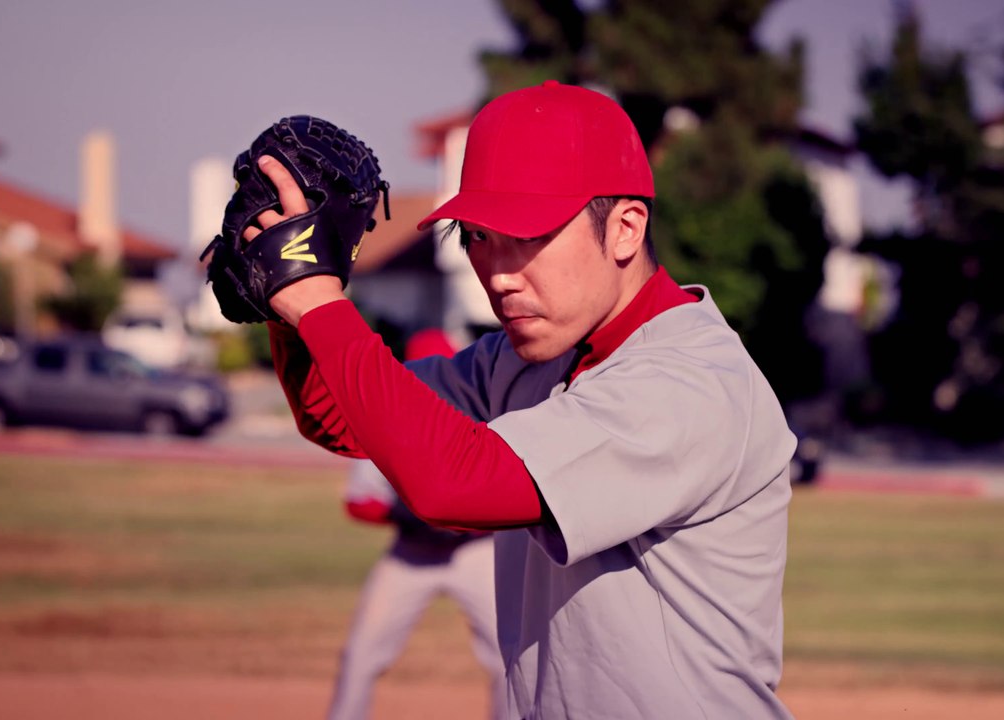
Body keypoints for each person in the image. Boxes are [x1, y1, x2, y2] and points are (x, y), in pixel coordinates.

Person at [257, 81, 797, 719]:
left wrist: (320, 302)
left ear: (626, 228)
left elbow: (453, 485)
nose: (499, 273)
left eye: (528, 234)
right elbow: (339, 413)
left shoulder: (690, 382)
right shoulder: (523, 356)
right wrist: (285, 303)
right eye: (479, 237)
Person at [327, 330, 508, 720]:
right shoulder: (387, 431)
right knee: (363, 651)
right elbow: (358, 502)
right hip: (411, 555)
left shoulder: (482, 422)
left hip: (475, 553)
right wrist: (408, 511)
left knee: (509, 655)